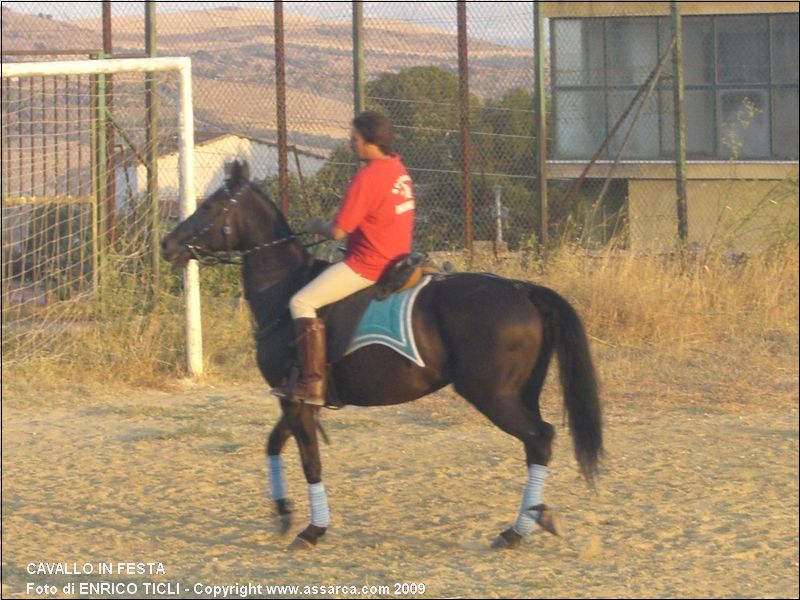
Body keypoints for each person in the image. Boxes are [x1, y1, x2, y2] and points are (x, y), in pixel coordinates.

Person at [281, 111, 415, 406]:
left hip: (368, 265)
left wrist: (315, 225)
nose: (350, 143)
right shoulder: (398, 168)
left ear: (370, 142)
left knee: (301, 302)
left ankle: (312, 384)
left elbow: (339, 231)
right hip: (399, 258)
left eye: (354, 138)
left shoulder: (367, 176)